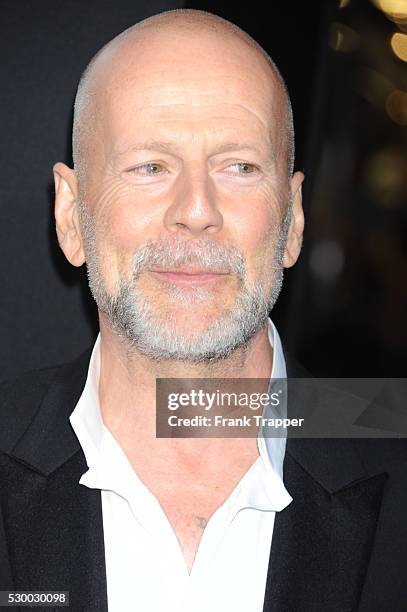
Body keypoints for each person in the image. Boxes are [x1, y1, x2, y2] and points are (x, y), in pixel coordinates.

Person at [0, 8, 406, 612]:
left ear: (292, 220)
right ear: (70, 214)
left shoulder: (391, 443)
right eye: (150, 167)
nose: (196, 209)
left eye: (239, 167)